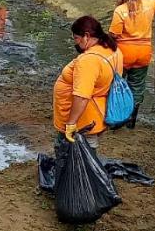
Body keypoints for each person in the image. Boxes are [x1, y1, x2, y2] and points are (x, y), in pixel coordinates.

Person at [53, 15, 124, 148]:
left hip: (84, 118)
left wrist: (71, 123)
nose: (76, 43)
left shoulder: (88, 60)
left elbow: (81, 97)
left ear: (87, 35)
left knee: (79, 150)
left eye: (76, 39)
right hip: (99, 111)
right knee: (88, 149)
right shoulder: (113, 50)